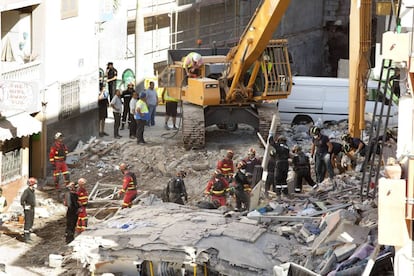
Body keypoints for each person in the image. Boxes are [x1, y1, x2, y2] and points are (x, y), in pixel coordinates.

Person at [20, 177, 37, 243]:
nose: (36, 185)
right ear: (31, 184)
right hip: (28, 209)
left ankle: (29, 236)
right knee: (27, 223)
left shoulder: (32, 191)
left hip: (32, 209)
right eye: (35, 184)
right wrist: (25, 206)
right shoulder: (26, 191)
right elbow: (22, 200)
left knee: (31, 222)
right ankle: (26, 238)